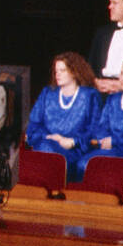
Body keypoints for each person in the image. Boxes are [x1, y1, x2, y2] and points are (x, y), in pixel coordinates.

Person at [25, 52, 102, 180]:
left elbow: (95, 130)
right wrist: (49, 137)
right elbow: (33, 125)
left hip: (73, 150)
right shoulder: (47, 92)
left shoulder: (89, 95)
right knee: (44, 148)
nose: (57, 74)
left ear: (74, 72)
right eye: (56, 71)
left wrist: (72, 142)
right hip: (47, 144)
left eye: (62, 70)